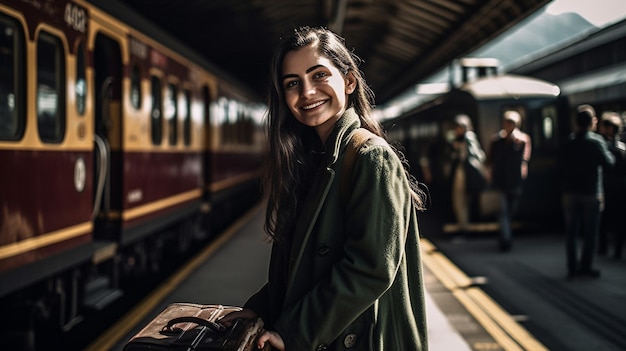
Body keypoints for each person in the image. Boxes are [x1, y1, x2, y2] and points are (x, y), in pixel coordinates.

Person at [220, 26, 429, 350]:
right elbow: (302, 263)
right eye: (293, 83)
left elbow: (369, 270)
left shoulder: (370, 157)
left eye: (319, 75)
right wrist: (261, 307)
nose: (306, 92)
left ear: (348, 81)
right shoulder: (311, 160)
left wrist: (292, 332)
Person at [559, 105, 615, 279]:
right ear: (593, 122)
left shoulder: (569, 141)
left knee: (571, 232)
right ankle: (586, 266)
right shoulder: (597, 142)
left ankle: (572, 267)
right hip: (591, 192)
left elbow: (560, 167)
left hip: (570, 192)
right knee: (591, 232)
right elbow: (609, 163)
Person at [487, 110, 531, 252]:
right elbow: (490, 160)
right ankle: (506, 240)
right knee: (503, 211)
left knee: (511, 211)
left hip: (515, 180)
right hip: (501, 180)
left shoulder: (522, 140)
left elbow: (525, 159)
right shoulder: (497, 140)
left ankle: (504, 235)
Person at [448, 114, 487, 235]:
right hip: (463, 172)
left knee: (460, 200)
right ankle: (463, 225)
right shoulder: (462, 138)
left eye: (459, 127)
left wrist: (460, 147)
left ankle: (464, 227)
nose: (456, 130)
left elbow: (474, 154)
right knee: (461, 200)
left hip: (465, 172)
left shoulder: (468, 137)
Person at [596, 112, 626, 259]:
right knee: (620, 220)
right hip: (620, 188)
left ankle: (603, 246)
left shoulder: (603, 146)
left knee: (604, 218)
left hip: (607, 186)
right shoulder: (622, 148)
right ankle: (617, 250)